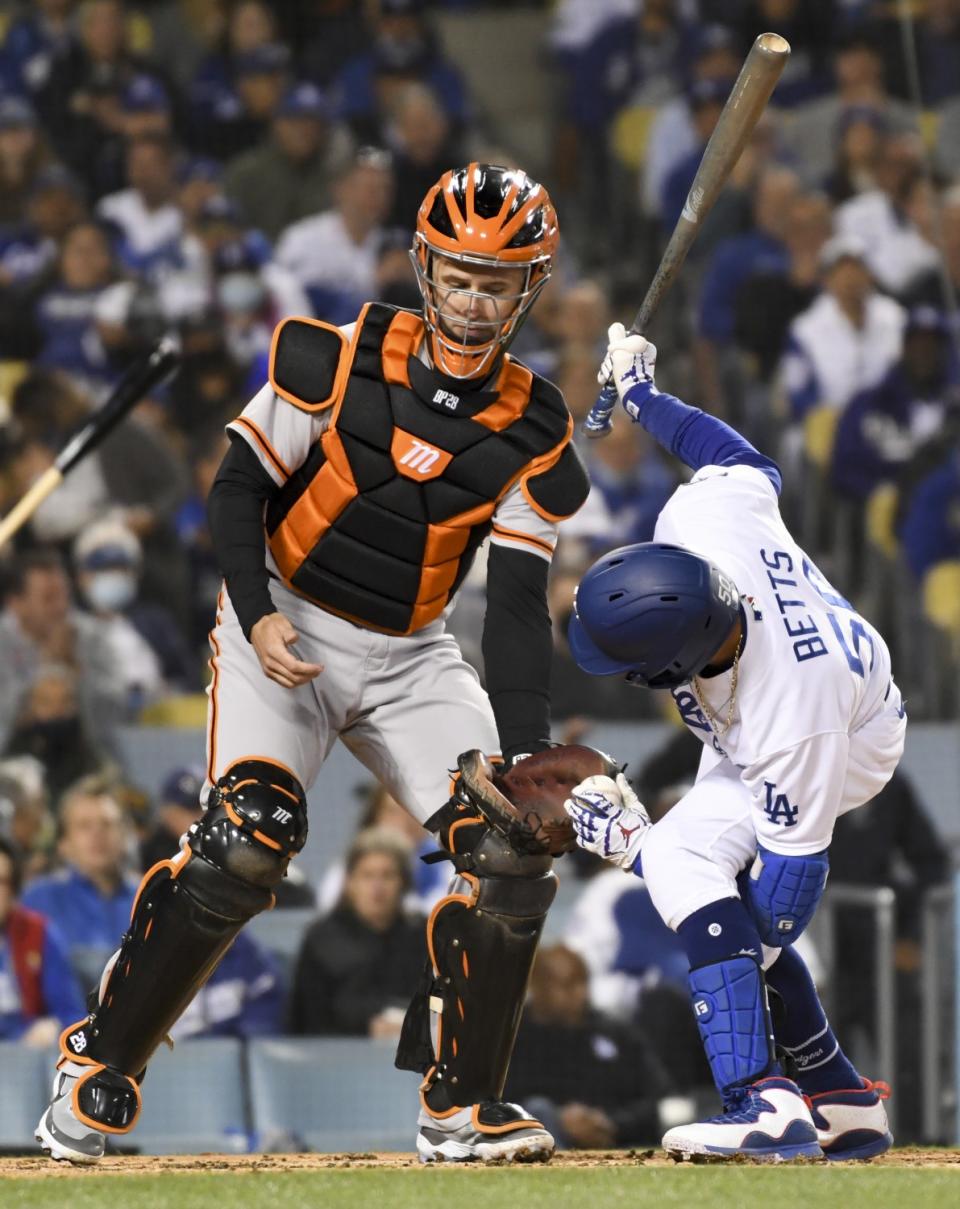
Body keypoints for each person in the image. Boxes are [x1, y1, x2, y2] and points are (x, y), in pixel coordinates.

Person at [37, 162, 590, 1166]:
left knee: (511, 842)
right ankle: (99, 1065)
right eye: (459, 275)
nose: (473, 301)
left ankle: (460, 1110)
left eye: (497, 282)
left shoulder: (538, 432)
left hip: (415, 654)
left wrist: (526, 753)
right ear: (426, 268)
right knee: (249, 837)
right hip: (284, 623)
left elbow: (514, 606)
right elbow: (238, 486)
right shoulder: (332, 356)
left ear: (528, 291)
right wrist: (254, 618)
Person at [560, 319, 905, 1161]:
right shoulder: (700, 521)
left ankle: (764, 1101)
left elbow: (783, 904)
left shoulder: (795, 720)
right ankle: (839, 1098)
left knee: (699, 881)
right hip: (768, 713)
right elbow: (746, 459)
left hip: (848, 737)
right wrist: (644, 395)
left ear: (674, 659)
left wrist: (636, 848)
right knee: (688, 867)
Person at [289, 828, 425, 1036]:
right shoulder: (321, 939)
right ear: (350, 883)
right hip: (338, 1058)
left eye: (388, 876)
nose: (377, 887)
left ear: (404, 883)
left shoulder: (426, 937)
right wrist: (367, 1029)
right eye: (367, 876)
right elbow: (305, 1023)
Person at [0, 835, 85, 1046]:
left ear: (13, 889)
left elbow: (72, 1015)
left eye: (1, 882)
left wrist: (53, 1028)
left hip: (23, 1059)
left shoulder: (39, 933)